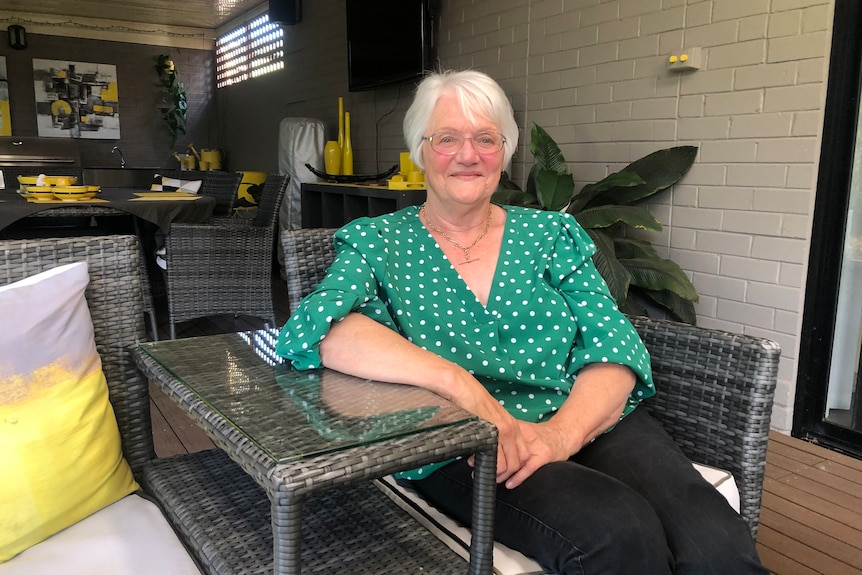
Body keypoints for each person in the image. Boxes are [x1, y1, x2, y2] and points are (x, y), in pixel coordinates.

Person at [276, 69, 768, 574]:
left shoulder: (552, 234)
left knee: (716, 540)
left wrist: (559, 436)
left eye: (485, 139)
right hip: (463, 441)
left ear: (505, 150)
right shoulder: (379, 241)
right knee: (617, 532)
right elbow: (320, 327)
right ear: (420, 150)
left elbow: (614, 343)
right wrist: (460, 384)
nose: (468, 155)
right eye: (447, 138)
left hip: (585, 413)